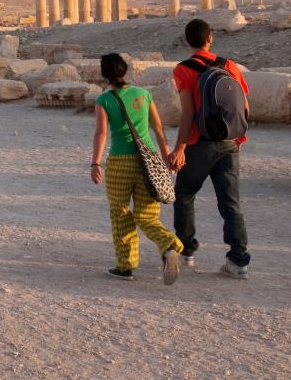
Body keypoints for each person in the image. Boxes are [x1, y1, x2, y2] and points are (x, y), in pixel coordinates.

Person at [169, 18, 251, 279]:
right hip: (229, 143)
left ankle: (186, 251)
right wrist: (236, 137)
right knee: (231, 204)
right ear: (210, 38)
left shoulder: (183, 69)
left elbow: (188, 113)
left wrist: (179, 147)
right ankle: (238, 261)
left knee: (183, 195)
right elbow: (244, 107)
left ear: (186, 41)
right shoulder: (229, 65)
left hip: (198, 144)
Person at [91, 52, 183, 284]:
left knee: (120, 213)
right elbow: (158, 129)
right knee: (147, 215)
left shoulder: (104, 100)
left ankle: (125, 267)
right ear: (125, 71)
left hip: (120, 162)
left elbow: (102, 133)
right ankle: (169, 245)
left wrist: (95, 162)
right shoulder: (144, 95)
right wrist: (167, 156)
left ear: (105, 74)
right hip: (147, 160)